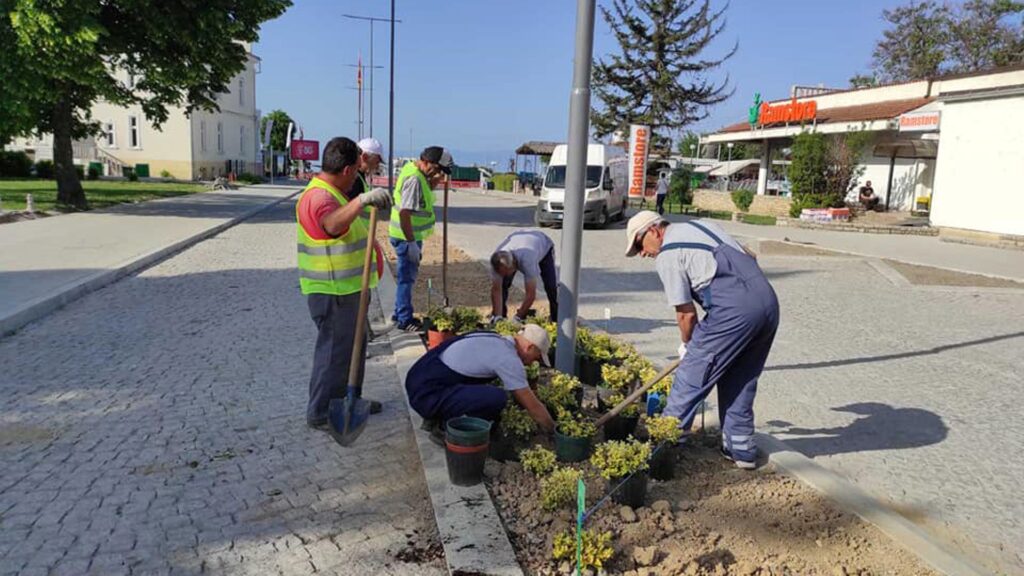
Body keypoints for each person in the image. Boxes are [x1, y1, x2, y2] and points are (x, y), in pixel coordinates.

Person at [624, 210, 779, 469]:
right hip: (767, 302)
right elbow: (750, 255)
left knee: (690, 376)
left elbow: (686, 315)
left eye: (640, 245)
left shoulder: (669, 254)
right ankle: (741, 450)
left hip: (733, 311)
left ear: (654, 231)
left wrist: (689, 346)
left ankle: (665, 444)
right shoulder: (702, 226)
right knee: (740, 376)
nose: (642, 253)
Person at [296, 137, 393, 429]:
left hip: (348, 289)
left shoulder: (334, 192)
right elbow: (333, 225)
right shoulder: (320, 197)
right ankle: (321, 412)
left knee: (352, 348)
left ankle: (351, 398)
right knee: (334, 353)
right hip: (332, 290)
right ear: (349, 169)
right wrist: (362, 200)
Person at [405, 325, 556, 435]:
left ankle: (439, 411)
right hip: (425, 394)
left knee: (487, 391)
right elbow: (532, 405)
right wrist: (553, 429)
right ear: (529, 347)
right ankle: (446, 428)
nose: (532, 363)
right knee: (497, 398)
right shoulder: (508, 359)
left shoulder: (495, 338)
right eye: (536, 358)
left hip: (418, 378)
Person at [388, 146, 454, 332]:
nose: (439, 173)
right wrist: (410, 243)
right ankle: (404, 319)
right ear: (429, 163)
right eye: (438, 169)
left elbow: (422, 197)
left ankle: (398, 313)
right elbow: (405, 214)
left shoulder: (416, 171)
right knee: (406, 278)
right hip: (405, 237)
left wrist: (437, 181)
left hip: (408, 236)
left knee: (407, 277)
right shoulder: (414, 179)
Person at [489, 231, 558, 323]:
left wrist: (518, 317)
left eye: (506, 273)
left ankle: (556, 317)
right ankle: (500, 316)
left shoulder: (528, 261)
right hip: (520, 241)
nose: (503, 276)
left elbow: (530, 294)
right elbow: (496, 290)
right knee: (503, 285)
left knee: (551, 286)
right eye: (501, 273)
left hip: (544, 247)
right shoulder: (496, 261)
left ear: (514, 265)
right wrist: (497, 317)